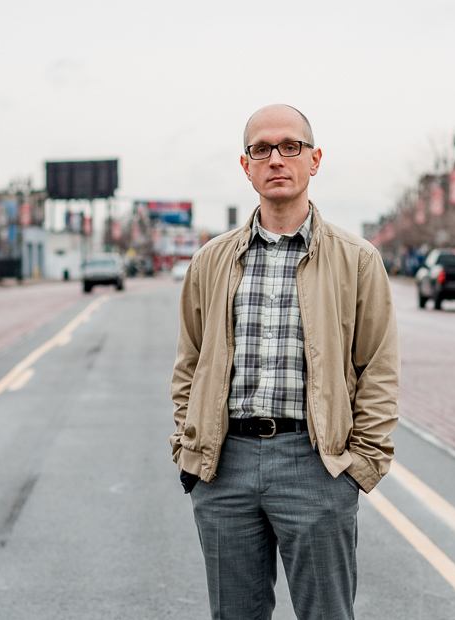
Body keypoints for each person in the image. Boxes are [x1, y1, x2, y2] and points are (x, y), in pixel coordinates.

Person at [170, 104, 399, 620]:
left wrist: (358, 467)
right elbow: (189, 363)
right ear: (246, 165)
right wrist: (189, 449)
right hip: (223, 467)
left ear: (313, 160)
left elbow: (379, 370)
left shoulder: (357, 260)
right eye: (262, 149)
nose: (276, 159)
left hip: (314, 464)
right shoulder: (211, 260)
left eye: (290, 147)